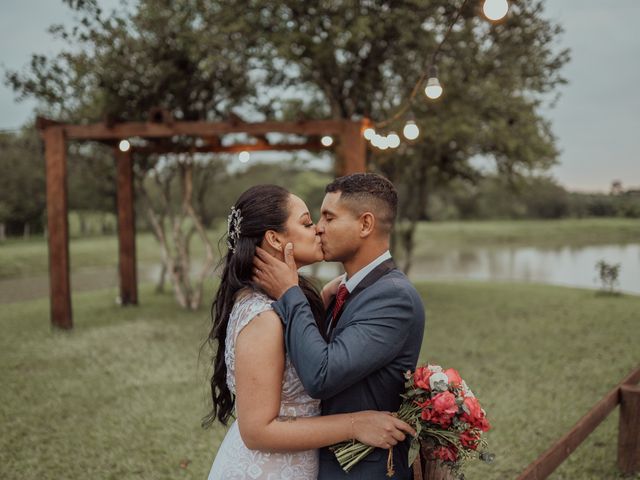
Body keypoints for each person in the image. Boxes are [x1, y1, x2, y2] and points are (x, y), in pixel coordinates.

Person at [203, 184, 415, 480]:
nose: (317, 229)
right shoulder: (262, 315)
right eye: (307, 222)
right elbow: (256, 432)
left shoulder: (290, 300)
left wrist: (321, 295)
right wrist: (357, 424)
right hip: (268, 471)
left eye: (325, 219)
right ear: (275, 239)